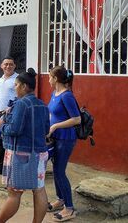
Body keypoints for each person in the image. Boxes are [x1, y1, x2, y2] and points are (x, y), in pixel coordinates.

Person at [0, 68, 50, 223]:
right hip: (39, 153)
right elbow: (46, 130)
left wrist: (1, 126)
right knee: (39, 190)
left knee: (14, 192)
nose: (14, 88)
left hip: (21, 154)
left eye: (16, 85)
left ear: (24, 86)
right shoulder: (42, 104)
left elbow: (15, 129)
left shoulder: (21, 104)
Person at [47, 66, 81, 222]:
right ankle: (60, 200)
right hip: (55, 138)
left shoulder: (67, 96)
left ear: (56, 79)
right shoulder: (55, 93)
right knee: (56, 170)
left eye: (50, 77)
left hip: (66, 138)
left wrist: (55, 126)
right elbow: (51, 113)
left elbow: (76, 119)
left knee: (60, 171)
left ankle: (70, 208)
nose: (48, 79)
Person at [0, 57, 18, 175]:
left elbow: (19, 99)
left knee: (10, 144)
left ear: (14, 66)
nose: (8, 66)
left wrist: (6, 115)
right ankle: (1, 168)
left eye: (11, 64)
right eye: (5, 64)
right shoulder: (0, 80)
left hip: (10, 116)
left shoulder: (17, 79)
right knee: (1, 143)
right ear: (1, 66)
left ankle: (10, 170)